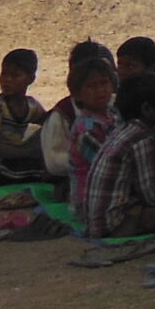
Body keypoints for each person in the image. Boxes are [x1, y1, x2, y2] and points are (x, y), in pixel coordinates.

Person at [82, 73, 155, 241]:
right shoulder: (142, 139)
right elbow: (153, 197)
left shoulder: (126, 130)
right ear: (147, 109)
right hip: (117, 226)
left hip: (100, 222)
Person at [57, 53, 119, 224]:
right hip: (90, 204)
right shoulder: (86, 129)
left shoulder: (112, 114)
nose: (100, 90)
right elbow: (109, 166)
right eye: (91, 86)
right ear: (77, 95)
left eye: (103, 83)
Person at [0, 49, 47, 178]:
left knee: (50, 129)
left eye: (15, 75)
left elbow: (50, 122)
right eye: (4, 74)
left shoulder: (31, 105)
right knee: (43, 174)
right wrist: (27, 152)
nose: (7, 80)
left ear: (31, 79)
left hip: (13, 159)